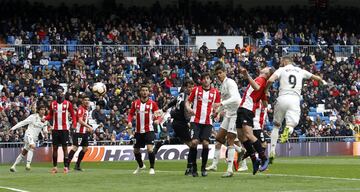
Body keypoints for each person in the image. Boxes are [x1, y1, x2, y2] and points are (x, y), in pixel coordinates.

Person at [264, 56, 327, 163]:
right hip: (294, 99)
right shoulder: (300, 70)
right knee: (291, 124)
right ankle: (288, 130)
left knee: (276, 126)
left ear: (284, 61)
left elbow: (270, 79)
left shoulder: (281, 70)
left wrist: (266, 90)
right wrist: (322, 81)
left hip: (282, 98)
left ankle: (272, 151)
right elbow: (315, 77)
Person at [205, 65, 244, 177]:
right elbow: (225, 100)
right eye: (217, 74)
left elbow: (236, 99)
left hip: (236, 113)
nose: (219, 75)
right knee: (218, 138)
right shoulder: (222, 86)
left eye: (220, 73)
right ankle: (216, 164)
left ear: (225, 72)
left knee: (230, 139)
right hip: (228, 114)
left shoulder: (230, 83)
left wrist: (221, 104)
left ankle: (229, 169)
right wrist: (218, 111)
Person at [236, 66, 274, 175]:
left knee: (248, 135)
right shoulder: (262, 82)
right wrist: (264, 94)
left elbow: (256, 87)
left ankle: (263, 158)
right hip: (242, 108)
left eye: (266, 68)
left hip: (247, 109)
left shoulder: (261, 79)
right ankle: (254, 160)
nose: (264, 68)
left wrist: (247, 75)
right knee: (241, 136)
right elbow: (265, 103)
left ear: (268, 73)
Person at [154, 79, 195, 175]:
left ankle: (162, 143)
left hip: (176, 122)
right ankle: (189, 168)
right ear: (185, 87)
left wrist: (165, 108)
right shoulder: (187, 97)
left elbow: (173, 101)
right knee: (192, 145)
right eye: (189, 87)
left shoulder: (181, 95)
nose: (191, 89)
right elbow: (186, 109)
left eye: (192, 87)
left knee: (180, 140)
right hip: (181, 123)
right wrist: (188, 121)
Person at [186, 72, 221, 177]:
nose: (206, 80)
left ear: (211, 80)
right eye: (204, 78)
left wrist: (217, 113)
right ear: (201, 80)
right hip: (195, 121)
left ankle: (203, 168)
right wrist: (189, 108)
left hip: (207, 122)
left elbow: (217, 106)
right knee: (194, 142)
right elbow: (188, 101)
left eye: (208, 78)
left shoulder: (215, 92)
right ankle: (194, 167)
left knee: (205, 143)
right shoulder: (196, 90)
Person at [127, 84, 161, 175]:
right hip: (138, 131)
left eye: (146, 90)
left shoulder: (152, 104)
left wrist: (158, 120)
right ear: (140, 92)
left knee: (150, 149)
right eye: (143, 90)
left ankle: (152, 168)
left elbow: (158, 114)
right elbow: (130, 114)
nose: (145, 92)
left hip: (149, 130)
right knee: (136, 151)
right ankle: (141, 165)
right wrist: (129, 121)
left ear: (149, 92)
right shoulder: (135, 103)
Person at [45, 87, 76, 174]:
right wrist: (45, 118)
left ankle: (66, 167)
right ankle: (55, 167)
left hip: (64, 129)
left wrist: (74, 123)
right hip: (55, 129)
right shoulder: (52, 104)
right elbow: (50, 115)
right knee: (54, 148)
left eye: (61, 92)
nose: (59, 94)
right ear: (56, 94)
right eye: (58, 92)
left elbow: (73, 114)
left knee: (64, 148)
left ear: (63, 93)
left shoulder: (68, 103)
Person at [9, 105, 48, 172]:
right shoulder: (33, 117)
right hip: (28, 135)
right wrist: (13, 128)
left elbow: (45, 129)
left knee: (24, 152)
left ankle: (13, 166)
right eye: (41, 109)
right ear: (38, 110)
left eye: (44, 110)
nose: (43, 111)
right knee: (32, 146)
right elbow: (22, 123)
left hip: (34, 138)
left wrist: (45, 133)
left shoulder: (45, 119)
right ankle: (28, 164)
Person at [67, 94, 92, 171]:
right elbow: (80, 121)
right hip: (78, 132)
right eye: (85, 100)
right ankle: (66, 165)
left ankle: (77, 165)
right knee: (75, 147)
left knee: (85, 148)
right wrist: (88, 126)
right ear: (82, 101)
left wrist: (87, 128)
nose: (87, 101)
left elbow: (84, 121)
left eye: (88, 100)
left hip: (84, 132)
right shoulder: (81, 109)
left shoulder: (86, 110)